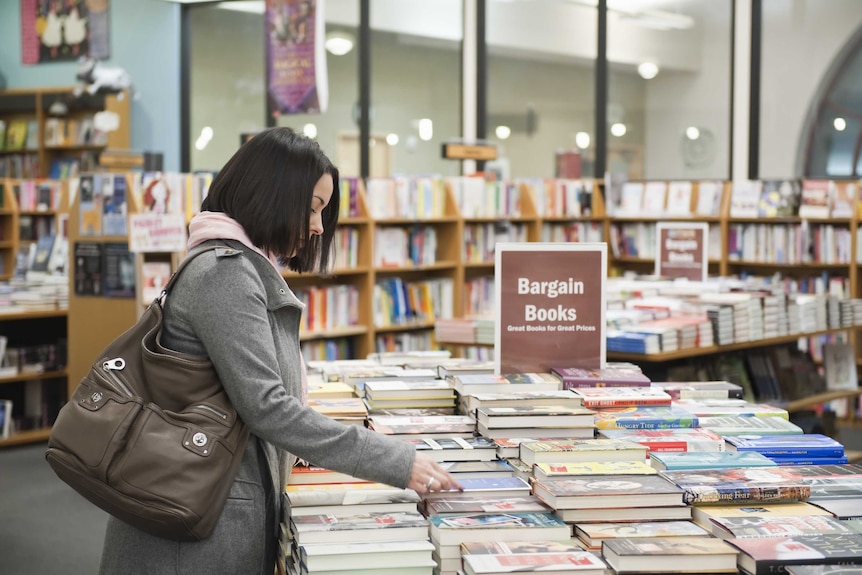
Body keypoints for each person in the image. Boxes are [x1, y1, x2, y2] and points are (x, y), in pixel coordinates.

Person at [99, 127, 461, 574]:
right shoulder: (225, 274)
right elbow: (268, 407)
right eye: (311, 208)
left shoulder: (238, 264)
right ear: (271, 194)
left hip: (206, 504)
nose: (316, 226)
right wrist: (397, 461)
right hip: (193, 530)